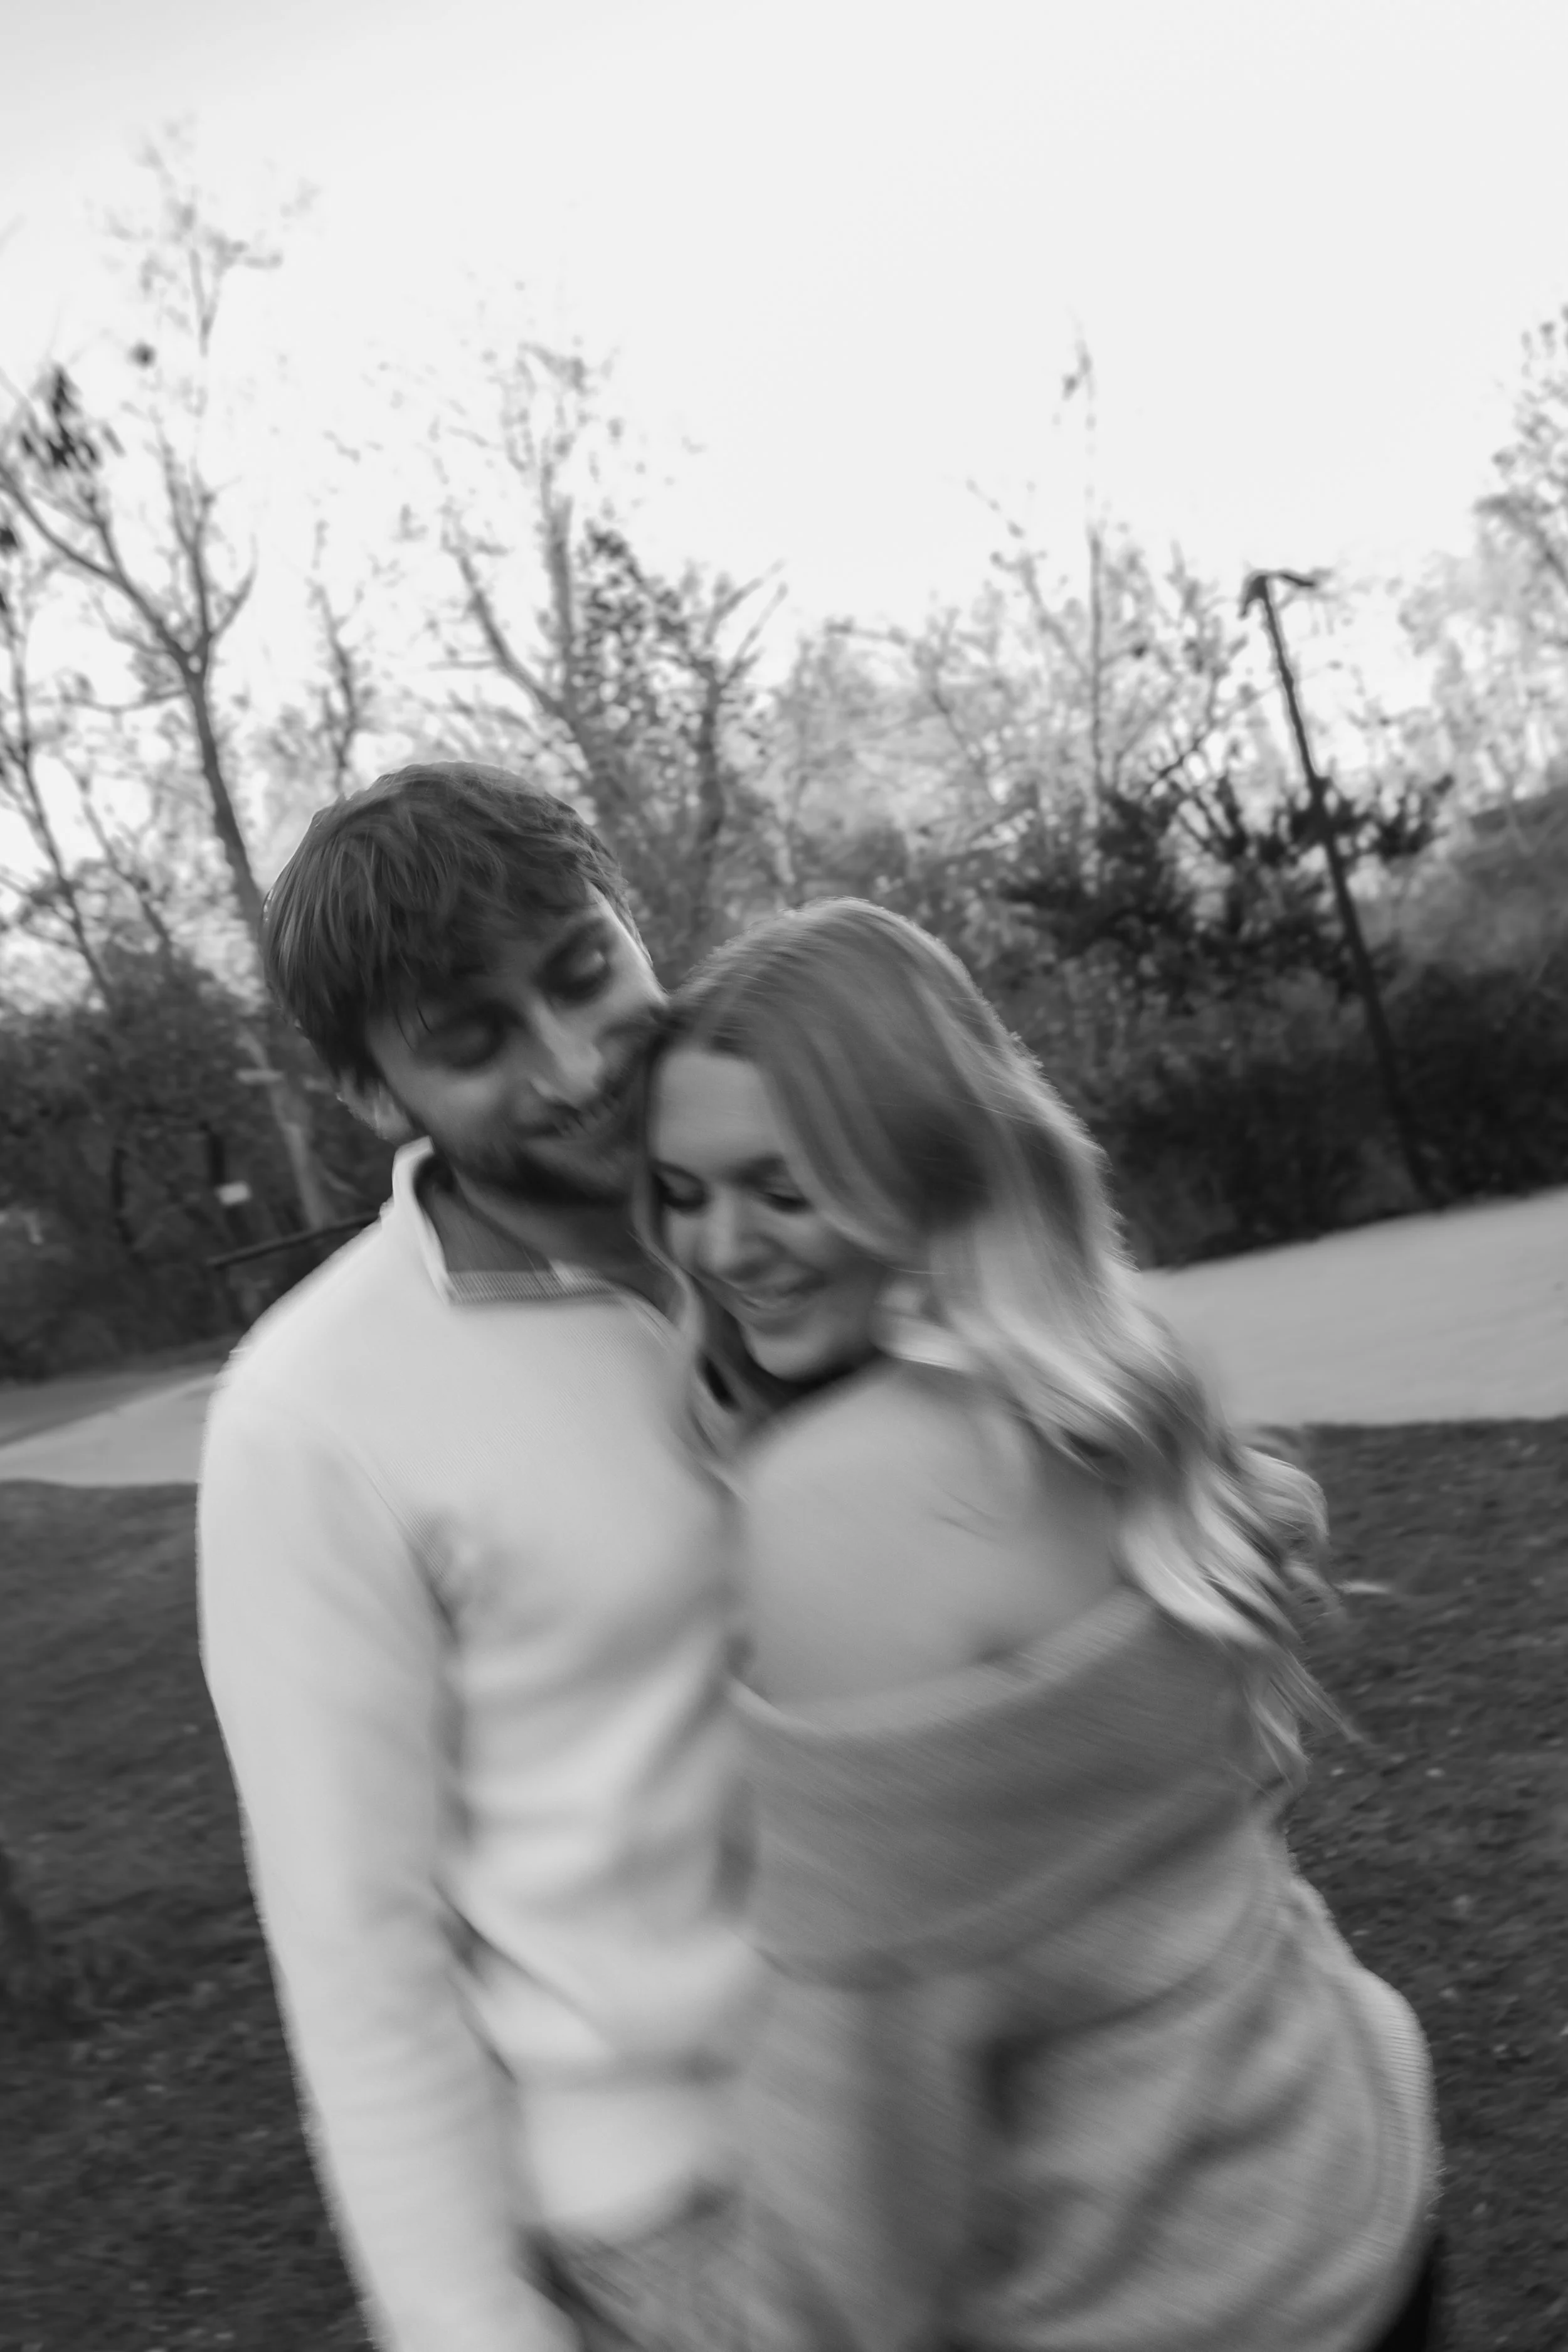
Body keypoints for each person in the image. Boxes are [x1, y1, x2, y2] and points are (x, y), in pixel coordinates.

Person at [633, 896, 1442, 2352]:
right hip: (1343, 2178)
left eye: (782, 1186)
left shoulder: (837, 1503)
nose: (721, 1246)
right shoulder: (1102, 1379)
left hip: (1165, 2304)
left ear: (917, 1158)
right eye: (682, 1194)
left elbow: (863, 2127)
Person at [197, 763, 756, 2352]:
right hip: (687, 2214)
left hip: (965, 2077)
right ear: (374, 1095)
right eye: (474, 1040)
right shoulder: (312, 1418)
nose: (575, 1060)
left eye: (583, 971)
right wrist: (468, 2324)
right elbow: (357, 1949)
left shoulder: (782, 1225)